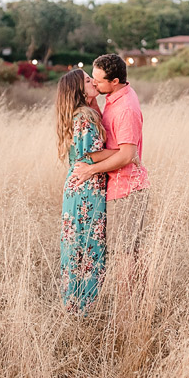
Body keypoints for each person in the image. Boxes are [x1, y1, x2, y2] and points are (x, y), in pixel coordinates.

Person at [70, 54, 151, 298]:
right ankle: (135, 304)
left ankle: (127, 311)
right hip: (119, 188)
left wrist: (90, 169)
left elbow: (127, 155)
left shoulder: (125, 109)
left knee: (125, 255)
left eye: (98, 82)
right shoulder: (115, 97)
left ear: (115, 81)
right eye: (91, 80)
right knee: (128, 253)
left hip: (127, 190)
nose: (94, 84)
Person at [55, 68, 130, 315]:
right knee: (87, 247)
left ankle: (78, 306)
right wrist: (126, 153)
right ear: (79, 89)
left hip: (83, 186)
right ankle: (82, 309)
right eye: (88, 80)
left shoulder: (86, 112)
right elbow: (91, 154)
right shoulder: (84, 117)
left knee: (80, 246)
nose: (94, 81)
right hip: (85, 190)